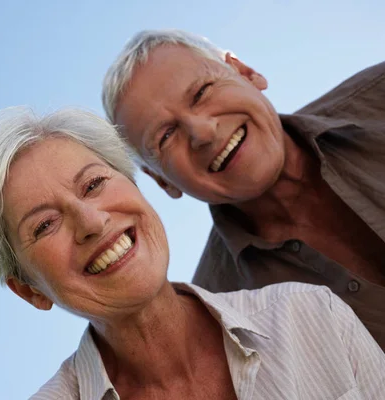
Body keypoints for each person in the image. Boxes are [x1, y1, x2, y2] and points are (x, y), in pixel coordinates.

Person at [0, 107, 385, 399]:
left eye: (93, 184)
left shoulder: (308, 313)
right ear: (29, 291)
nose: (91, 222)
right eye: (45, 225)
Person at [102, 29, 385, 349]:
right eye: (166, 136)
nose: (203, 133)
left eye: (201, 92)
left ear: (247, 73)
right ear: (162, 181)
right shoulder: (217, 324)